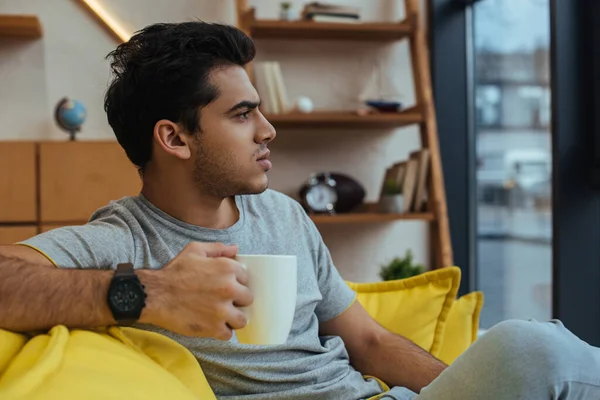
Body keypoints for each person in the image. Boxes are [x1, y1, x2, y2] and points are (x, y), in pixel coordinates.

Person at [0, 21, 599, 400]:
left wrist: (467, 392)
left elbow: (365, 340)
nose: (269, 129)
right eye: (241, 115)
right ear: (174, 138)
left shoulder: (284, 215)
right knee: (532, 347)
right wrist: (151, 294)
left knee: (525, 354)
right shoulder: (121, 239)